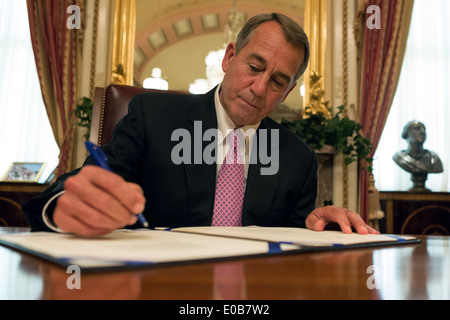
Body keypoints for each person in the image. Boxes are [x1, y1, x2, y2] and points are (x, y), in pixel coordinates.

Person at [23, 13, 378, 237]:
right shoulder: (153, 116)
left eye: (277, 81)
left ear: (288, 92)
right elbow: (78, 188)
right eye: (254, 67)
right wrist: (64, 205)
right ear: (229, 57)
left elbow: (289, 241)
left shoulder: (298, 159)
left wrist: (318, 230)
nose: (258, 88)